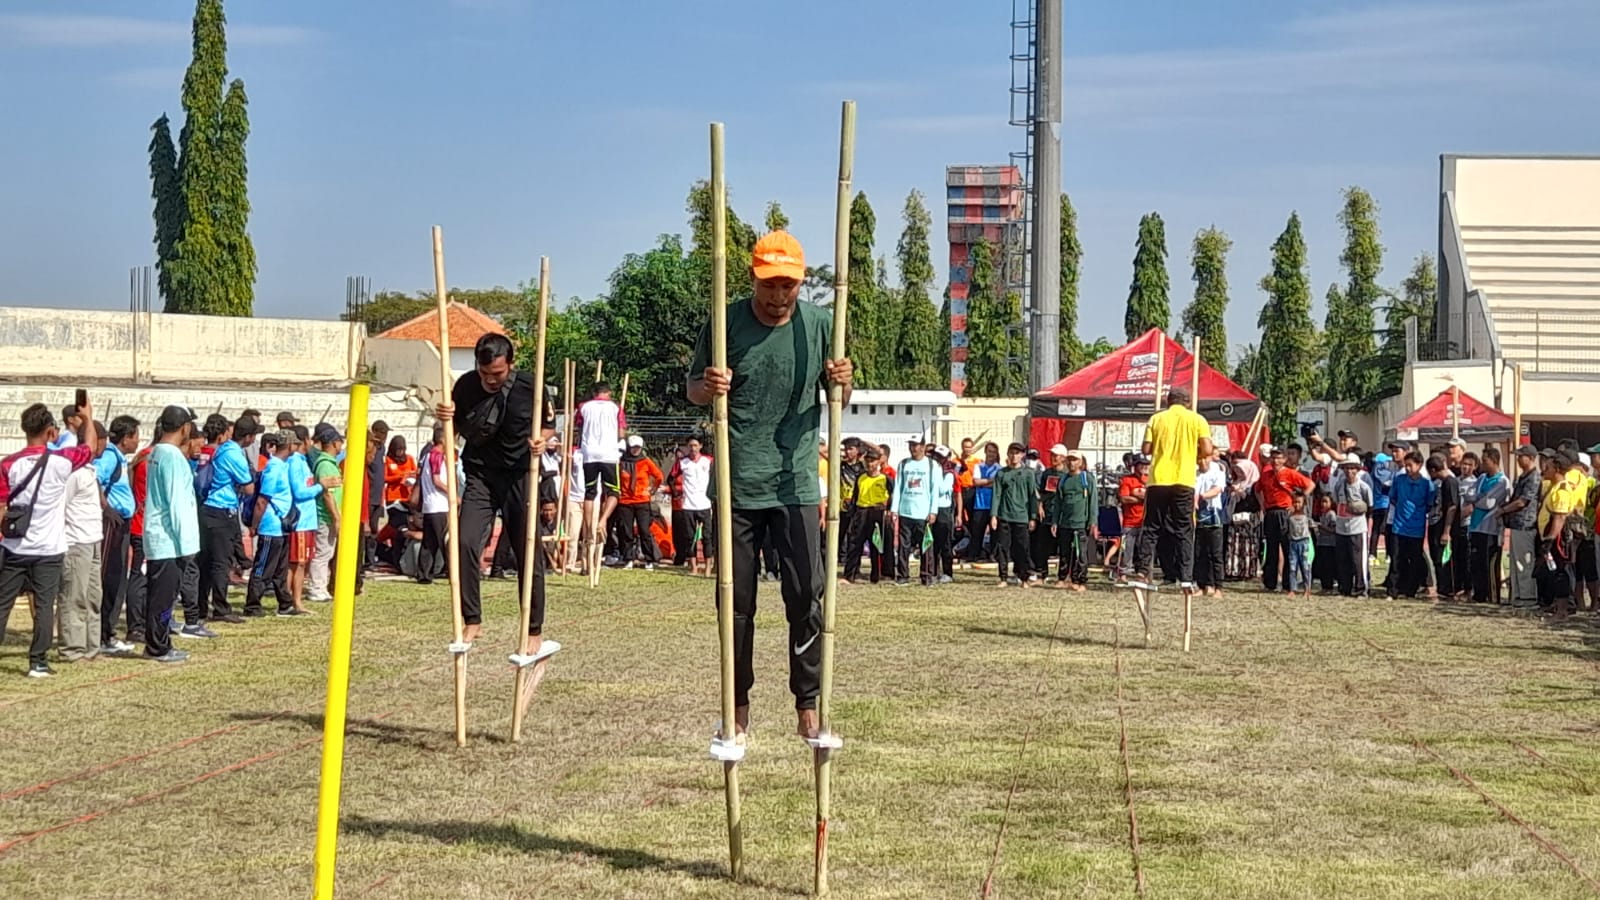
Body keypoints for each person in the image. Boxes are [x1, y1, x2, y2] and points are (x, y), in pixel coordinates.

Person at [687, 228, 852, 739]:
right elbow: (692, 390)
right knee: (734, 602)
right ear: (754, 280)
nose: (779, 296)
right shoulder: (725, 320)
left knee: (807, 593)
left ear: (801, 284)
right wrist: (708, 385)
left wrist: (842, 379)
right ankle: (736, 704)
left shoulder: (824, 324)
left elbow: (842, 397)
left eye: (789, 286)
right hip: (737, 485)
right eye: (770, 285)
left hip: (797, 483)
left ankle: (808, 699)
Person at [435, 332, 555, 650]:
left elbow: (549, 425)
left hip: (521, 476)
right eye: (484, 373)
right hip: (481, 476)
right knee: (463, 541)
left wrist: (541, 440)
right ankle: (472, 619)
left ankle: (533, 630)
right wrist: (446, 419)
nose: (490, 380)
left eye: (497, 374)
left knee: (527, 551)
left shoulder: (532, 386)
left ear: (510, 365)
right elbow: (455, 427)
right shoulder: (464, 386)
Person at [0, 401, 95, 676]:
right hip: (49, 548)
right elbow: (88, 448)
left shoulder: (9, 464)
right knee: (44, 606)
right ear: (52, 432)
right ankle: (38, 661)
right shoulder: (62, 461)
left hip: (15, 546)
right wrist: (87, 419)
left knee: (3, 604)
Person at [1131, 387, 1212, 593]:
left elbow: (1146, 450)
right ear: (1187, 402)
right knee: (1184, 529)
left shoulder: (1157, 419)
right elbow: (1208, 449)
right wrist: (1195, 454)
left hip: (1158, 479)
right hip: (1183, 480)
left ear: (1168, 401)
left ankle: (1142, 570)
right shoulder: (1197, 420)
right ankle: (1186, 577)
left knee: (1151, 527)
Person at [141, 405, 202, 664]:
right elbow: (178, 503)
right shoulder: (173, 457)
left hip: (159, 537)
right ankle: (158, 646)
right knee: (163, 600)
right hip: (169, 540)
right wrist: (187, 544)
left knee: (160, 597)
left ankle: (159, 641)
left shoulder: (156, 453)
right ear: (184, 428)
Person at [195, 414, 253, 625]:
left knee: (205, 561)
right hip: (222, 509)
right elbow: (248, 488)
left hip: (207, 509)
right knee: (221, 562)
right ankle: (220, 607)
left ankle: (200, 606)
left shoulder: (212, 451)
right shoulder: (232, 453)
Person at [58, 422, 107, 662]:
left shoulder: (90, 470)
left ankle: (91, 646)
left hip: (93, 539)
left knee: (93, 597)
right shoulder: (74, 473)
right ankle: (72, 649)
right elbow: (61, 505)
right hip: (76, 541)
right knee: (74, 596)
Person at [96, 415, 139, 655]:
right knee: (112, 578)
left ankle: (108, 631)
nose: (138, 441)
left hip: (122, 522)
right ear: (126, 438)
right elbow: (96, 481)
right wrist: (107, 509)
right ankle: (105, 634)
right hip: (113, 523)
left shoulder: (120, 459)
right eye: (135, 436)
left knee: (119, 576)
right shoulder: (110, 457)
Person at [246, 431, 298, 617]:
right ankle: (252, 605)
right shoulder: (274, 468)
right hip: (271, 526)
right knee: (263, 566)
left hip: (281, 526)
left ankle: (285, 603)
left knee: (280, 569)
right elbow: (262, 500)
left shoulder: (281, 465)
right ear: (290, 445)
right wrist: (254, 525)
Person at [576, 381, 626, 555]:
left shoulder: (583, 407)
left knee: (590, 492)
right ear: (608, 393)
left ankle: (589, 528)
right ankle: (603, 520)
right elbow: (621, 433)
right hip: (608, 454)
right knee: (614, 491)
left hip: (589, 453)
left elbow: (579, 428)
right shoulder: (615, 407)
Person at [1256, 446, 1314, 592]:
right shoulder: (1266, 474)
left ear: (1284, 459)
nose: (1276, 460)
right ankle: (1270, 582)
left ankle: (1289, 583)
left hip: (1285, 512)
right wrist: (1262, 505)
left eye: (1279, 457)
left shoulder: (1290, 473)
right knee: (1271, 549)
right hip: (1270, 512)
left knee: (1288, 548)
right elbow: (1257, 490)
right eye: (1273, 457)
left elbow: (1310, 485)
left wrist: (1298, 503)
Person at [1537, 448, 1584, 619]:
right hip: (1552, 535)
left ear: (1557, 469)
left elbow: (1560, 516)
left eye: (1547, 467)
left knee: (1561, 572)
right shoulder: (1555, 487)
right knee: (1554, 571)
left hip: (1559, 538)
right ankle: (1557, 606)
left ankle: (1563, 610)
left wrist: (1550, 539)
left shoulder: (1562, 489)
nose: (1544, 470)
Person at [1388, 451, 1436, 599]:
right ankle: (1393, 591)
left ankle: (1411, 591)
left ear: (1419, 465)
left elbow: (1429, 504)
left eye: (1410, 465)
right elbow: (1393, 498)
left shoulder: (1427, 484)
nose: (1407, 468)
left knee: (1415, 560)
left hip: (1417, 528)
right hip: (1399, 526)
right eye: (1406, 465)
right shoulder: (1399, 480)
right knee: (1396, 559)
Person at [1045, 448, 1095, 591]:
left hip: (1081, 523)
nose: (1072, 463)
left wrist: (1092, 521)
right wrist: (1055, 521)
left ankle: (1080, 580)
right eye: (1070, 460)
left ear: (1081, 462)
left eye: (1075, 460)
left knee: (1081, 554)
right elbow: (1058, 502)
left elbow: (1093, 502)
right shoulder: (1064, 480)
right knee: (1064, 552)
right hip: (1065, 523)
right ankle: (1062, 578)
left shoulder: (1087, 479)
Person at [286, 426, 323, 610]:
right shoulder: (294, 462)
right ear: (305, 441)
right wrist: (320, 486)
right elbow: (299, 492)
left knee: (303, 563)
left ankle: (294, 600)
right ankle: (292, 601)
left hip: (308, 521)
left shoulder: (303, 461)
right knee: (297, 564)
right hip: (300, 521)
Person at [991, 442, 1039, 587]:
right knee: (1003, 548)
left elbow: (1032, 496)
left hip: (1022, 517)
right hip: (1005, 516)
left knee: (1022, 548)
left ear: (1022, 455)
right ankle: (1003, 577)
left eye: (1017, 453)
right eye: (1012, 453)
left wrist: (1033, 516)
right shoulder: (1001, 473)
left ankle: (1024, 578)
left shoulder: (1028, 474)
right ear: (1008, 454)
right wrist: (993, 515)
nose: (1014, 456)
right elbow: (996, 495)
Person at [891, 438, 937, 587]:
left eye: (916, 445)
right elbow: (898, 487)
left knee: (925, 546)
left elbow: (934, 489)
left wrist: (933, 511)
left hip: (923, 513)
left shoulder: (931, 465)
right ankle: (903, 575)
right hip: (906, 511)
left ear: (923, 447)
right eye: (911, 445)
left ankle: (927, 575)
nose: (913, 448)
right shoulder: (904, 464)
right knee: (904, 546)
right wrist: (894, 509)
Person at [307, 424, 345, 602]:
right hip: (326, 516)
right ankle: (317, 588)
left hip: (330, 515)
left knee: (327, 552)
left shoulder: (330, 464)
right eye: (339, 442)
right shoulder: (324, 465)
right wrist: (336, 517)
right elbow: (327, 495)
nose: (341, 446)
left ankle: (320, 587)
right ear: (333, 443)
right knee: (322, 553)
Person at [1501, 444, 1542, 605]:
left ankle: (1528, 596)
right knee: (1515, 561)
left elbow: (1523, 502)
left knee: (1524, 562)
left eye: (1521, 456)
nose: (1518, 459)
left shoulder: (1534, 477)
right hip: (1516, 524)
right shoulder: (1522, 476)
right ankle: (1517, 595)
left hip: (1526, 524)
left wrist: (1503, 510)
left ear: (1531, 458)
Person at [616, 435, 664, 569]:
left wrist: (652, 489)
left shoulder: (646, 461)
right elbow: (616, 477)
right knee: (626, 531)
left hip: (642, 500)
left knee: (644, 530)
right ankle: (628, 558)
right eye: (633, 447)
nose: (635, 450)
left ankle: (649, 559)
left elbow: (659, 476)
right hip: (625, 501)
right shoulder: (621, 462)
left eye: (638, 447)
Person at [844, 449, 892, 584]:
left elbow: (892, 496)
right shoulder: (861, 477)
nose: (870, 464)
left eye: (873, 461)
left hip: (878, 512)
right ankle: (850, 574)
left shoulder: (885, 478)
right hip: (862, 512)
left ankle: (878, 574)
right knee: (855, 543)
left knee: (877, 544)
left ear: (878, 462)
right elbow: (855, 497)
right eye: (868, 461)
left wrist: (888, 509)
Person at [1468, 447, 1507, 605]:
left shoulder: (1502, 481)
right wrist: (1479, 498)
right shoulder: (1482, 478)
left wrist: (1477, 499)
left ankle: (1493, 596)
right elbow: (1469, 495)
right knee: (1476, 562)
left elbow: (1488, 503)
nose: (1482, 464)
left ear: (1494, 462)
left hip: (1491, 528)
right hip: (1476, 526)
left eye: (1485, 461)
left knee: (1489, 564)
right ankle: (1479, 594)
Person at [1330, 457, 1373, 597]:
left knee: (1358, 560)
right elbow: (1336, 500)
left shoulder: (1363, 487)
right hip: (1342, 527)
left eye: (1352, 468)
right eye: (1346, 468)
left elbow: (1370, 506)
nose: (1349, 471)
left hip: (1358, 528)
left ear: (1358, 470)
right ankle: (1344, 588)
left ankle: (1361, 589)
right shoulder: (1339, 485)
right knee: (1342, 559)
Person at [671, 436, 713, 569]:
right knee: (690, 537)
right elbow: (670, 478)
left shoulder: (709, 461)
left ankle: (707, 567)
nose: (693, 448)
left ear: (700, 446)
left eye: (695, 445)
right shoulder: (682, 462)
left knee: (707, 537)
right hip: (688, 505)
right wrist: (676, 494)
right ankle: (694, 567)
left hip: (705, 504)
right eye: (690, 446)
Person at [416, 424, 450, 584]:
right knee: (444, 540)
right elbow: (437, 480)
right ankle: (452, 571)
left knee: (429, 542)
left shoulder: (427, 456)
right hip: (438, 504)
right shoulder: (436, 455)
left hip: (429, 505)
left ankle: (424, 573)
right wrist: (452, 494)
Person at [1194, 448, 1227, 596]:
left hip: (1214, 515)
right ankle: (1202, 585)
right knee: (1200, 552)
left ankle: (1218, 587)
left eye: (1204, 458)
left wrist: (1201, 496)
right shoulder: (1194, 472)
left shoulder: (1218, 471)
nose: (1202, 462)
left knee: (1216, 553)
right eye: (1199, 458)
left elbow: (1218, 489)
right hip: (1197, 516)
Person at [965, 442, 999, 563]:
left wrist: (984, 482)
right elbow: (976, 482)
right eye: (989, 451)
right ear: (985, 452)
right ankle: (973, 555)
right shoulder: (979, 466)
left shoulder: (999, 468)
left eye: (994, 452)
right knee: (977, 532)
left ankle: (993, 555)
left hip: (994, 504)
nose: (991, 454)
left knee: (995, 532)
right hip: (980, 503)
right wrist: (990, 481)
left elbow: (998, 484)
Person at [928, 445, 957, 584]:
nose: (937, 459)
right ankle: (933, 571)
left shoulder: (949, 474)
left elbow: (942, 489)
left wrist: (936, 476)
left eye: (940, 457)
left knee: (945, 543)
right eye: (935, 456)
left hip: (944, 510)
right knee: (932, 544)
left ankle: (947, 572)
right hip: (931, 509)